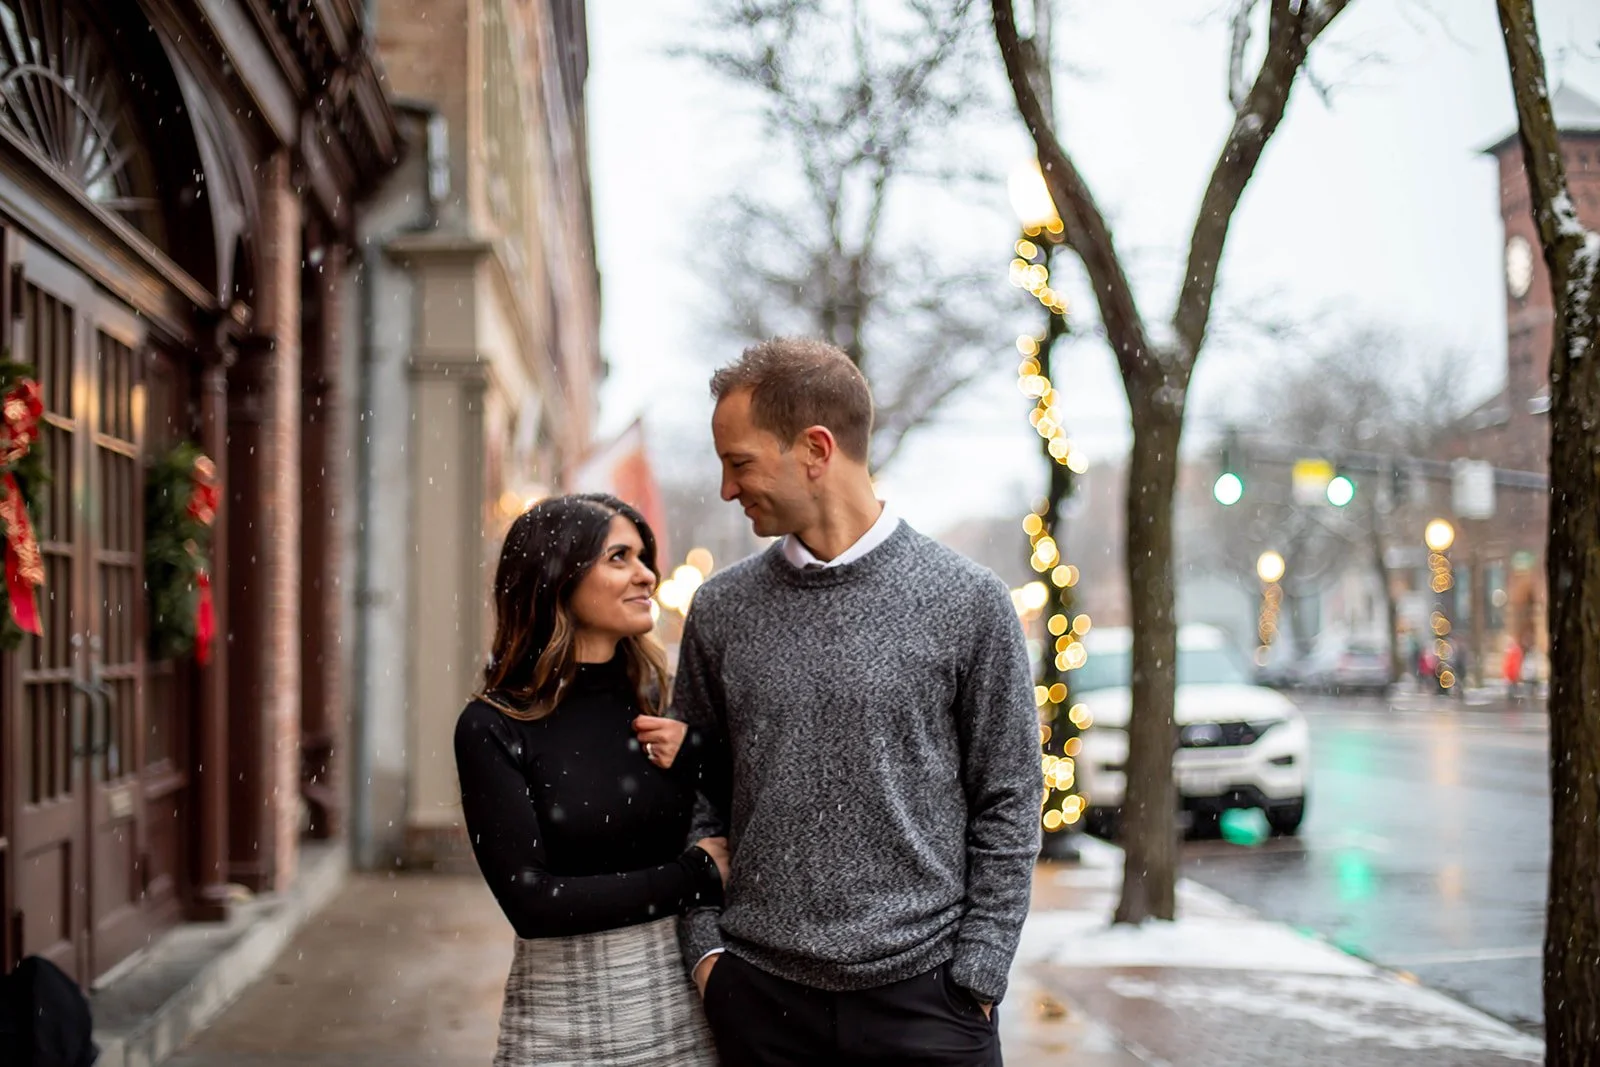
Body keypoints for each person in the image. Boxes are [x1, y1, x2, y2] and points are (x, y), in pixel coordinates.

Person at [675, 338, 1043, 1065]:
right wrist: (708, 957)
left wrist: (979, 970)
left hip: (929, 1005)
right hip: (761, 1003)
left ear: (816, 449)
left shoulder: (968, 600)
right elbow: (692, 790)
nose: (726, 489)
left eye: (739, 462)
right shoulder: (720, 611)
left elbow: (1009, 795)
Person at [454, 493, 728, 1066]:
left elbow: (740, 808)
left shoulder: (663, 703)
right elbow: (533, 903)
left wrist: (698, 752)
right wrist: (694, 875)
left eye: (644, 557)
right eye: (619, 558)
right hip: (562, 1023)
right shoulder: (494, 725)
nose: (646, 574)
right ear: (556, 577)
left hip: (689, 1015)